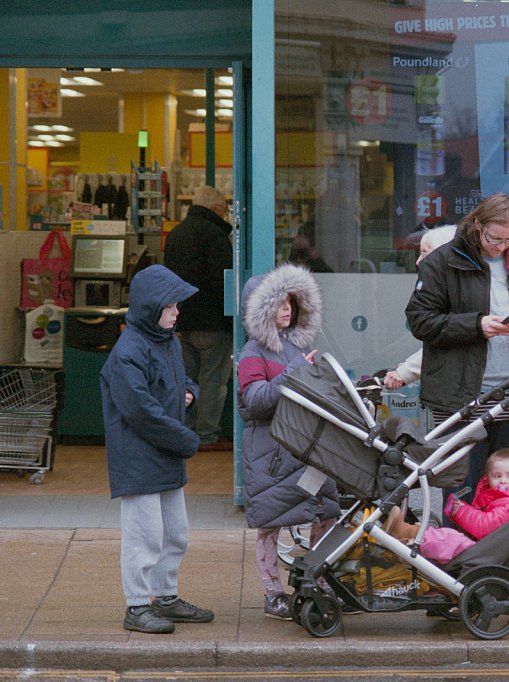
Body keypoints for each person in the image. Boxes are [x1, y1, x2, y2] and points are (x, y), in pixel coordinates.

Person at [405, 192, 509, 617]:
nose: (502, 247)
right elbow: (419, 320)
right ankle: (452, 584)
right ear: (477, 227)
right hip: (460, 397)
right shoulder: (443, 260)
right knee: (460, 496)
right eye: (495, 239)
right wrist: (476, 325)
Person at [99, 264, 215, 634]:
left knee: (174, 532)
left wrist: (191, 392)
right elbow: (140, 411)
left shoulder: (167, 340)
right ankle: (136, 606)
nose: (177, 311)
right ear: (152, 308)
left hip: (163, 453)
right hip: (141, 458)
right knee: (144, 536)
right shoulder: (129, 351)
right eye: (171, 306)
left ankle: (165, 597)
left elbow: (184, 382)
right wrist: (186, 439)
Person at [237, 263, 342, 620]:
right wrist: (294, 372)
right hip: (272, 454)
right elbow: (255, 400)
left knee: (324, 512)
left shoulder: (297, 346)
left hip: (306, 450)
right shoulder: (252, 353)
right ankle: (272, 593)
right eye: (279, 303)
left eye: (291, 303)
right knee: (270, 523)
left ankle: (318, 581)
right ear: (260, 310)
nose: (287, 309)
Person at [163, 185, 234, 451]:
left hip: (180, 321)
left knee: (186, 378)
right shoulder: (215, 237)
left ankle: (187, 430)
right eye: (225, 210)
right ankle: (207, 434)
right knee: (213, 381)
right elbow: (222, 282)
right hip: (212, 322)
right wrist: (231, 319)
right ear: (216, 209)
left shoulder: (176, 235)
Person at [384, 448, 509, 563]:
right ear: (488, 478)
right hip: (483, 545)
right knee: (444, 535)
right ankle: (408, 533)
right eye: (497, 476)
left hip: (485, 549)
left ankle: (406, 532)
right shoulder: (497, 497)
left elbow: (484, 526)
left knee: (447, 539)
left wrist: (460, 510)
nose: (503, 481)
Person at [383, 224, 458, 390]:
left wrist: (404, 372)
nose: (418, 262)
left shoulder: (460, 292)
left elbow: (448, 340)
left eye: (425, 253)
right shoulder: (443, 288)